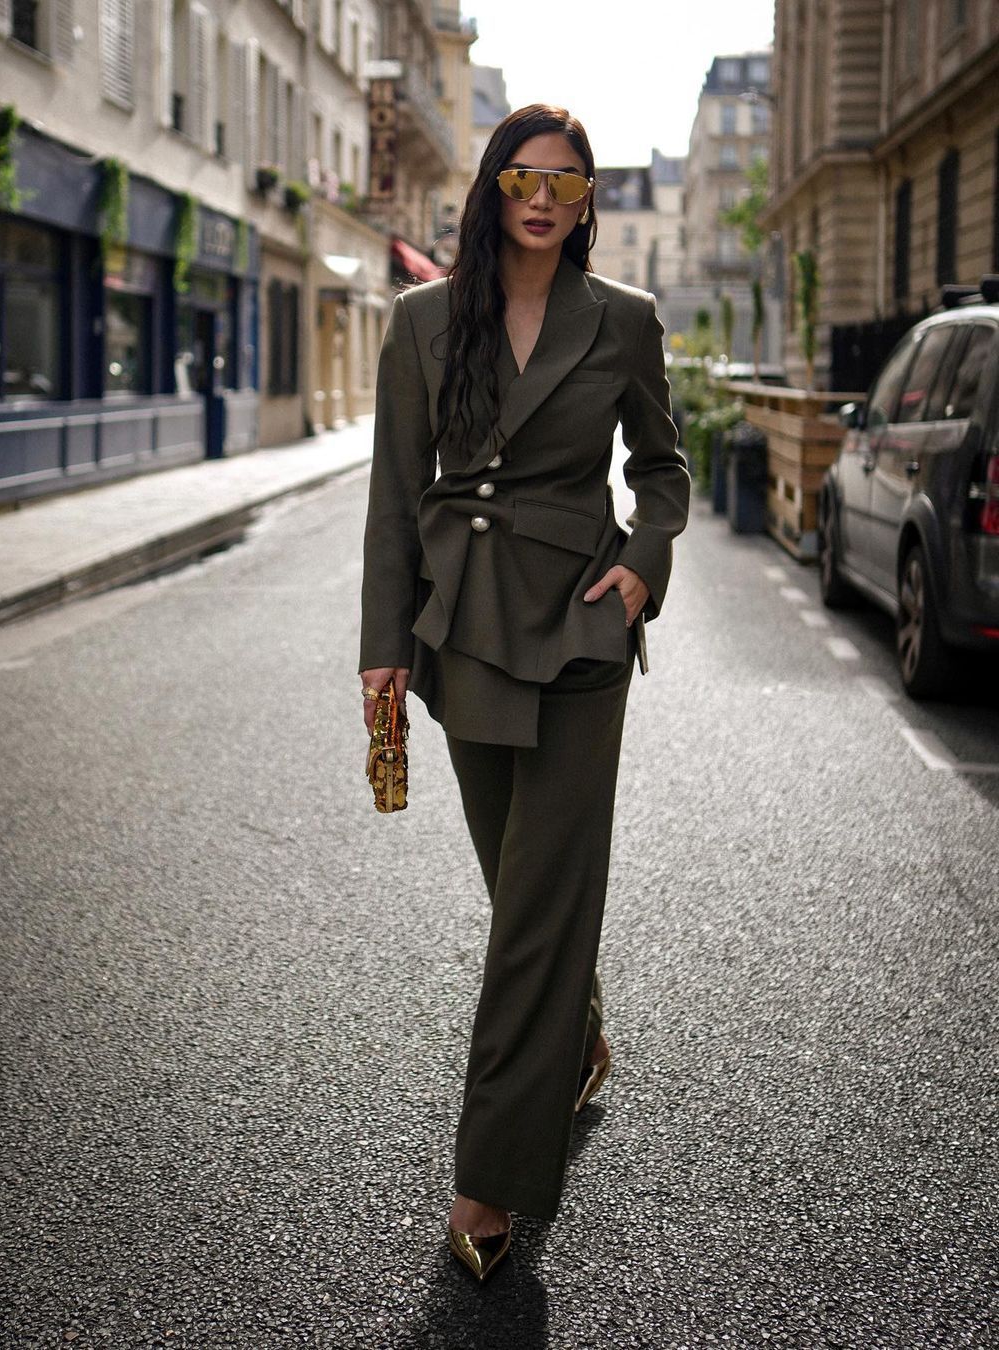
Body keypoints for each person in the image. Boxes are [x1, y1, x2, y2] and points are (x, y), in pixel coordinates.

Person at [358, 104, 690, 1281]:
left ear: (588, 201)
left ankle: (490, 1177)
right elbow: (397, 494)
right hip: (461, 629)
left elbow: (662, 470)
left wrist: (641, 571)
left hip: (580, 631)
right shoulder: (420, 320)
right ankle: (581, 1037)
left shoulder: (626, 321)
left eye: (567, 180)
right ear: (493, 188)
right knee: (520, 887)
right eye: (522, 175)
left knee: (539, 902)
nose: (543, 196)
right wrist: (383, 648)